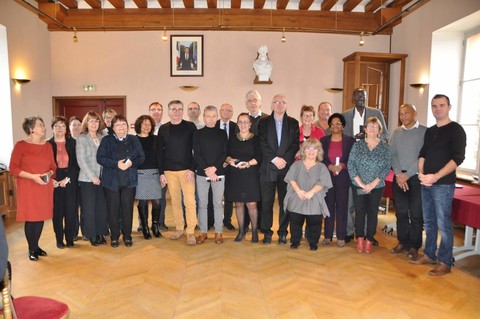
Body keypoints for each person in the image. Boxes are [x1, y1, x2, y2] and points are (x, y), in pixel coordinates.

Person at [411, 94, 466, 276]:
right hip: (426, 182)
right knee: (429, 222)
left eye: (441, 105)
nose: (437, 109)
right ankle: (429, 254)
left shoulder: (456, 130)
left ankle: (444, 261)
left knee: (443, 224)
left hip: (443, 184)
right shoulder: (431, 130)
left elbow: (457, 159)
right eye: (434, 106)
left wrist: (435, 177)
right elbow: (422, 153)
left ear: (449, 107)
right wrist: (421, 173)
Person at [342, 88, 389, 245]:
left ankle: (369, 236)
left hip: (373, 167)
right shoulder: (346, 115)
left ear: (367, 98)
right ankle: (350, 232)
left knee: (370, 208)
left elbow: (386, 135)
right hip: (353, 163)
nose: (361, 98)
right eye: (357, 96)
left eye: (363, 96)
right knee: (350, 203)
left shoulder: (376, 113)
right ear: (352, 98)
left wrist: (369, 136)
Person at [9, 116, 56, 261]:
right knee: (31, 218)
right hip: (28, 186)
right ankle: (32, 248)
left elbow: (53, 167)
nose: (44, 128)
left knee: (40, 216)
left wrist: (47, 174)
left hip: (44, 186)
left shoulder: (47, 146)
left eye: (43, 125)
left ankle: (36, 246)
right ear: (31, 129)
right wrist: (33, 176)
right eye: (40, 125)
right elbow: (13, 168)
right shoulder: (20, 145)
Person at [97, 115, 145, 248]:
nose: (121, 127)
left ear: (127, 126)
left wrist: (131, 163)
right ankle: (114, 237)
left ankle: (127, 236)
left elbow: (141, 157)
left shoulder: (133, 139)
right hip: (111, 182)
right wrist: (115, 164)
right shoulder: (106, 140)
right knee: (113, 210)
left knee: (127, 209)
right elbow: (100, 158)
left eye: (123, 124)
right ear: (112, 127)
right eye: (117, 125)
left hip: (129, 181)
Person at [258, 94, 300, 244]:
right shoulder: (263, 123)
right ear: (271, 105)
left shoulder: (293, 123)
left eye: (283, 102)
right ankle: (267, 232)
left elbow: (295, 144)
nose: (279, 104)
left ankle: (283, 232)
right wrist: (275, 159)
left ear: (287, 105)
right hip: (269, 167)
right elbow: (262, 143)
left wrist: (284, 160)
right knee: (267, 202)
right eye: (276, 102)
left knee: (285, 203)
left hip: (286, 168)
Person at [348, 117, 391, 254]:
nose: (372, 129)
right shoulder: (357, 145)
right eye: (370, 126)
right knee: (360, 212)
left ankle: (369, 239)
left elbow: (386, 167)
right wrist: (361, 183)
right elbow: (351, 165)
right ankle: (360, 238)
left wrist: (372, 184)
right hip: (358, 185)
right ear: (365, 129)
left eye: (375, 127)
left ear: (379, 130)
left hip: (376, 186)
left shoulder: (385, 147)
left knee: (372, 213)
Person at [157, 100, 198, 245]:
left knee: (190, 202)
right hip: (169, 171)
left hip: (187, 171)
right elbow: (159, 153)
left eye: (180, 109)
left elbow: (196, 150)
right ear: (168, 111)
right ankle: (180, 228)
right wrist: (161, 172)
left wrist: (192, 169)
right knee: (175, 201)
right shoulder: (163, 129)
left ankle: (191, 231)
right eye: (174, 109)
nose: (177, 112)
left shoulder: (190, 127)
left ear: (183, 111)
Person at [389, 104, 427, 260]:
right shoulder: (396, 132)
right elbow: (393, 155)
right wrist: (399, 174)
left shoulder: (425, 132)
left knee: (417, 214)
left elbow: (422, 156)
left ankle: (414, 246)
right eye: (401, 113)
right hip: (399, 177)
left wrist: (408, 174)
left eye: (406, 113)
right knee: (401, 213)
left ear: (415, 113)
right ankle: (402, 242)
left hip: (417, 178)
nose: (403, 116)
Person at [284, 138, 332, 250]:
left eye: (314, 149)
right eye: (308, 148)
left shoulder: (322, 167)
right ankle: (295, 241)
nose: (311, 151)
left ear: (318, 151)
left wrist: (312, 192)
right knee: (295, 222)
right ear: (304, 151)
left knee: (315, 222)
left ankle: (313, 242)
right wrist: (298, 191)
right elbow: (291, 178)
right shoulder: (296, 165)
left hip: (314, 197)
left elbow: (323, 182)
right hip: (297, 196)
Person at [225, 113, 262, 242]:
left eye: (246, 122)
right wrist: (230, 160)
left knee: (252, 204)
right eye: (240, 122)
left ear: (250, 124)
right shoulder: (233, 138)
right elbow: (227, 154)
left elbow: (259, 157)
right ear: (237, 123)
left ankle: (254, 231)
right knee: (239, 204)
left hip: (251, 174)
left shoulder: (256, 139)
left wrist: (248, 163)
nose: (243, 124)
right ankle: (241, 231)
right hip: (236, 175)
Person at [193, 106, 228, 244]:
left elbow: (224, 153)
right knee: (202, 203)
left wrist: (214, 168)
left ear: (217, 117)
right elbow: (197, 153)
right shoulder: (198, 133)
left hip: (219, 172)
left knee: (218, 203)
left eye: (214, 116)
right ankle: (203, 232)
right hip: (202, 173)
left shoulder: (222, 134)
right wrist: (207, 169)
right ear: (204, 117)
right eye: (208, 116)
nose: (211, 119)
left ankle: (218, 232)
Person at [320, 113, 355, 247]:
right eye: (333, 123)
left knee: (342, 207)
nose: (335, 126)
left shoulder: (349, 141)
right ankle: (327, 236)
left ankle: (341, 236)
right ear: (329, 126)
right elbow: (321, 158)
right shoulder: (324, 141)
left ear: (343, 126)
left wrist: (342, 165)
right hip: (327, 177)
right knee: (328, 206)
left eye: (338, 123)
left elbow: (352, 159)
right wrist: (328, 166)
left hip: (343, 177)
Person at [76, 111, 109, 247]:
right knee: (89, 209)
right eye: (91, 121)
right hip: (87, 180)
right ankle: (92, 234)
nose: (94, 123)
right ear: (86, 123)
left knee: (101, 208)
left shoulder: (103, 137)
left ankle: (101, 232)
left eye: (96, 121)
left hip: (103, 179)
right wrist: (93, 176)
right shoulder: (82, 138)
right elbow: (81, 161)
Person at [48, 116, 79, 249]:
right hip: (54, 179)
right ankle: (59, 239)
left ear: (67, 129)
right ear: (52, 128)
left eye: (62, 126)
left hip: (70, 179)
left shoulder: (73, 143)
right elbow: (45, 165)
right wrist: (52, 180)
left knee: (71, 211)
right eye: (57, 126)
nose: (60, 128)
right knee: (57, 213)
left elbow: (77, 164)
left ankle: (70, 238)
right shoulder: (47, 144)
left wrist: (68, 178)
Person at [134, 115, 163, 239]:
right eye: (144, 124)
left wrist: (162, 173)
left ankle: (154, 226)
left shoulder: (156, 139)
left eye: (149, 124)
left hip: (154, 173)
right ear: (139, 125)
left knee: (157, 202)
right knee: (143, 202)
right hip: (140, 174)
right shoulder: (133, 140)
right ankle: (145, 227)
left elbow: (160, 157)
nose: (146, 126)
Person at [215, 103, 236, 231]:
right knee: (214, 194)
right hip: (216, 166)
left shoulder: (236, 126)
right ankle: (212, 220)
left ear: (232, 113)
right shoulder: (213, 125)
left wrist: (229, 160)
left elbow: (237, 146)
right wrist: (220, 161)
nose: (226, 112)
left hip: (231, 166)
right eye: (224, 110)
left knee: (228, 194)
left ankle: (227, 220)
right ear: (220, 111)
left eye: (229, 110)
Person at [148, 102, 168, 231]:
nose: (156, 112)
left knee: (160, 197)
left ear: (162, 112)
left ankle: (160, 222)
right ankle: (142, 223)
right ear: (149, 111)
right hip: (146, 169)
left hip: (162, 168)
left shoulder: (165, 129)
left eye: (159, 110)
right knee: (143, 197)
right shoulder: (143, 128)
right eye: (153, 109)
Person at [68, 116, 84, 241]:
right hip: (71, 181)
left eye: (79, 125)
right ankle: (73, 233)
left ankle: (86, 232)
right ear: (69, 128)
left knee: (85, 207)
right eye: (74, 125)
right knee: (72, 208)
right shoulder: (66, 143)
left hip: (85, 179)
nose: (77, 127)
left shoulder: (85, 141)